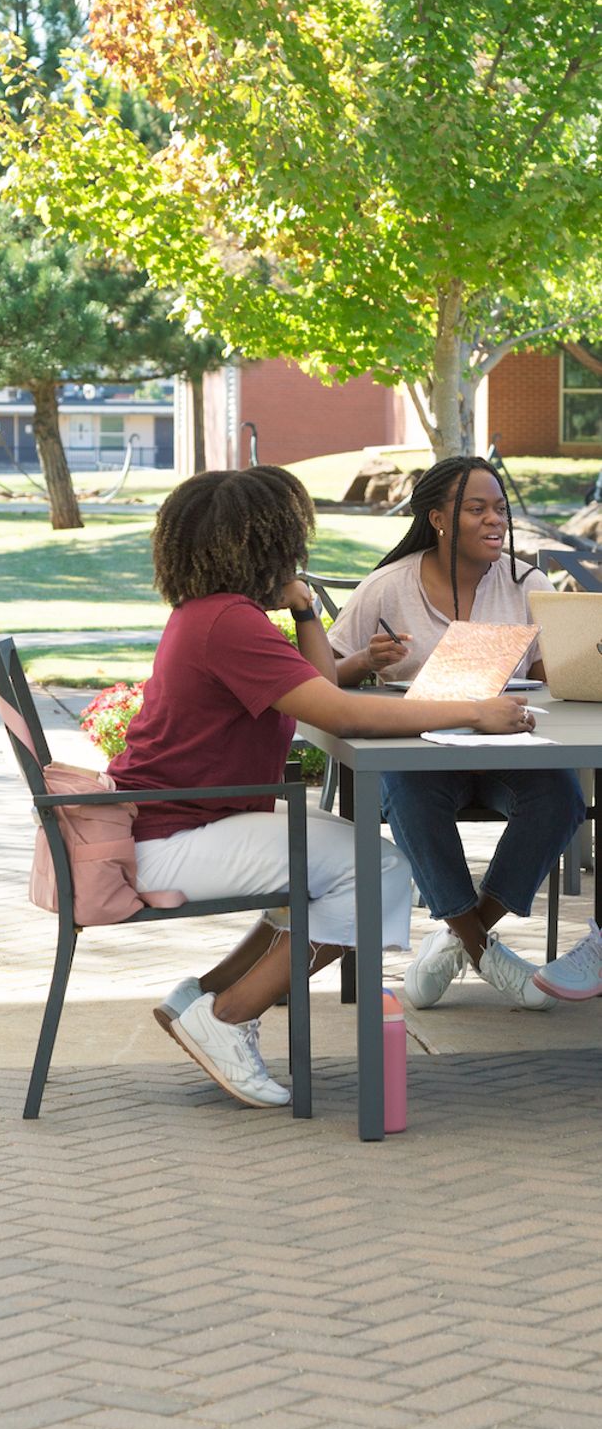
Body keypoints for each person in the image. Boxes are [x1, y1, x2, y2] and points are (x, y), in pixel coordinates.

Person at [109, 465, 538, 1110]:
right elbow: (340, 714)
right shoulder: (229, 623)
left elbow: (324, 688)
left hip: (173, 822)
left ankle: (202, 997)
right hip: (172, 837)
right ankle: (227, 1017)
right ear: (262, 543)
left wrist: (306, 606)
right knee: (376, 868)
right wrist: (472, 710)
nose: (298, 549)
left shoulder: (217, 614)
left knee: (343, 862)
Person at [329, 455, 585, 1016]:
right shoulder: (387, 588)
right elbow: (320, 674)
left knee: (561, 796)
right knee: (407, 793)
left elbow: (553, 678)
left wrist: (576, 659)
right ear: (439, 518)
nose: (494, 519)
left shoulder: (527, 583)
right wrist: (363, 661)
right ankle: (483, 950)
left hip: (507, 750)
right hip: (420, 755)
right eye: (477, 509)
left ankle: (459, 938)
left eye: (500, 508)